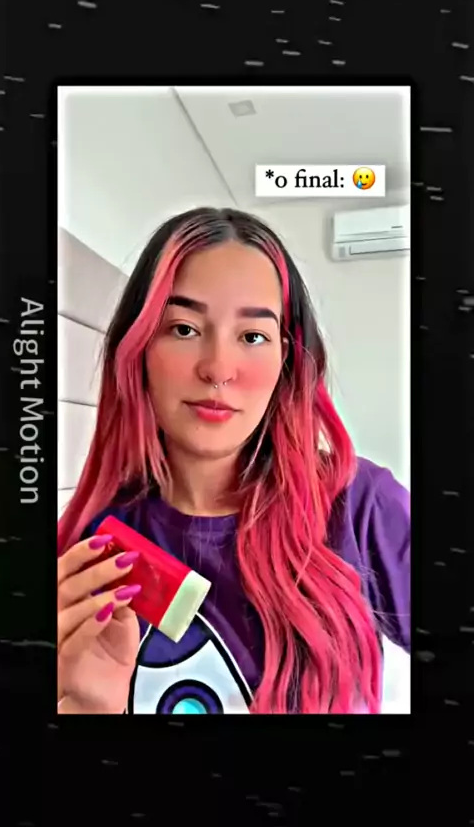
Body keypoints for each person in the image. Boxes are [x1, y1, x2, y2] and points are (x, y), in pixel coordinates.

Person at [57, 207, 410, 715]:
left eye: (252, 336)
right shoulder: (95, 551)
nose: (218, 368)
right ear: (139, 350)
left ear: (285, 359)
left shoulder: (362, 505)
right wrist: (86, 707)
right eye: (183, 328)